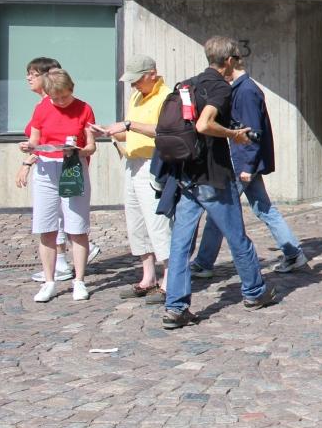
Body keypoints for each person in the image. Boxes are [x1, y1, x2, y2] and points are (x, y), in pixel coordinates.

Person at [161, 36, 273, 330]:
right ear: (230, 60)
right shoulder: (221, 87)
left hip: (187, 176)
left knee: (181, 245)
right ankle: (254, 292)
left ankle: (175, 307)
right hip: (214, 176)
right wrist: (234, 135)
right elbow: (204, 124)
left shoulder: (188, 84)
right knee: (237, 238)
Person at [189, 48, 309, 275]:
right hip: (243, 161)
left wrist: (248, 166)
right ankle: (293, 253)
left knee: (220, 211)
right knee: (263, 209)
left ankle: (203, 263)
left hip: (241, 162)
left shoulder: (245, 91)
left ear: (230, 62)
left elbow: (252, 131)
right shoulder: (243, 89)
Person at [94, 56, 171, 302]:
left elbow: (164, 131)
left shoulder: (167, 97)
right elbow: (132, 132)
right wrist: (109, 131)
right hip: (133, 162)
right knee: (136, 222)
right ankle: (148, 277)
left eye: (137, 80)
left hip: (154, 163)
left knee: (157, 222)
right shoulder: (136, 96)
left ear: (152, 74)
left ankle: (169, 279)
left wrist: (129, 124)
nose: (133, 85)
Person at [16, 68, 96, 302]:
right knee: (47, 226)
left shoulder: (84, 108)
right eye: (55, 98)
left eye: (64, 96)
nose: (60, 102)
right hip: (46, 167)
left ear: (71, 89)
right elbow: (35, 140)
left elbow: (91, 146)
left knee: (77, 227)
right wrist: (28, 147)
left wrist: (79, 151)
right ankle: (49, 281)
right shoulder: (42, 108)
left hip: (73, 165)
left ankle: (79, 280)